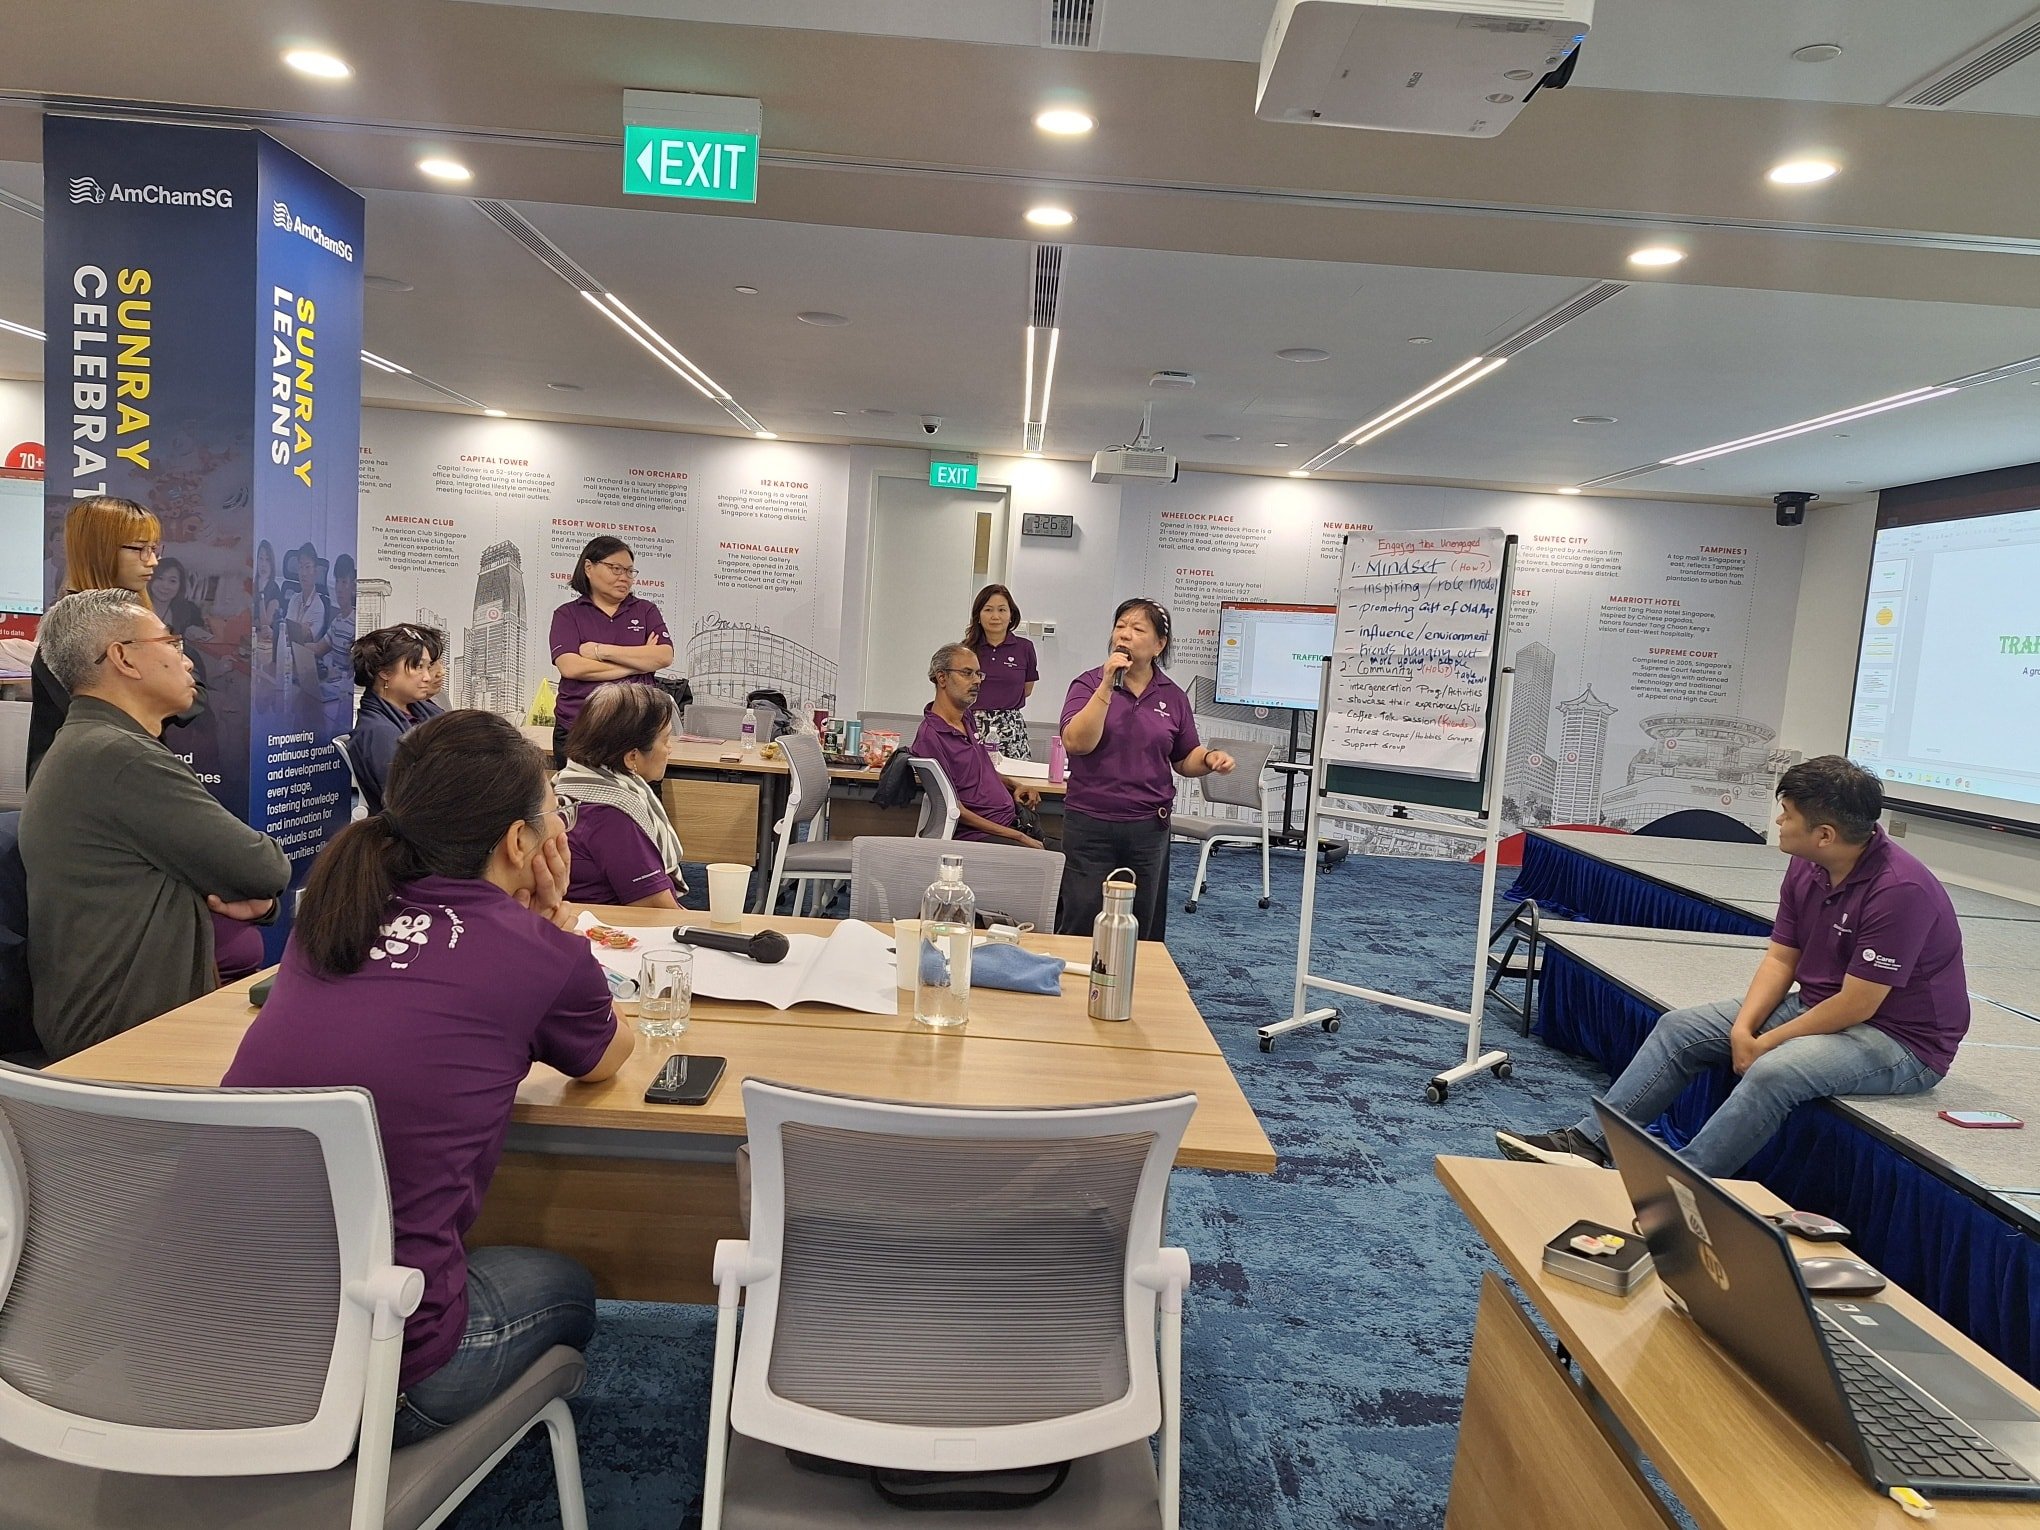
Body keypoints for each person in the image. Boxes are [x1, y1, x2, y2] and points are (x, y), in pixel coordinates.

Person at [224, 710, 634, 1445]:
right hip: (385, 1376)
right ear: (520, 842)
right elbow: (609, 1057)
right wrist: (552, 925)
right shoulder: (539, 955)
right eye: (555, 813)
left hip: (210, 1335)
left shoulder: (335, 914)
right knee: (570, 1285)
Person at [1497, 756, 1968, 1177]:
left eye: (1788, 815)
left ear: (1825, 835)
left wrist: (1767, 1042)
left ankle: (1681, 1190)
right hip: (1821, 1005)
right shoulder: (1807, 864)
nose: (1779, 821)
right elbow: (1782, 956)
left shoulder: (1900, 890)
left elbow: (1858, 1004)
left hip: (1900, 1039)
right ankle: (1588, 1143)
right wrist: (1744, 1029)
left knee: (1774, 1071)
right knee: (1680, 1029)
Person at [21, 590, 291, 1060]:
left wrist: (258, 901)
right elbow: (266, 867)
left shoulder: (90, 745)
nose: (188, 662)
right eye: (172, 643)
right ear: (123, 658)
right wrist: (260, 896)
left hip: (116, 1024)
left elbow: (242, 875)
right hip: (127, 1040)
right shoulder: (120, 757)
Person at [1054, 598, 1234, 943]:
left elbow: (1184, 757)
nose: (1125, 635)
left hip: (1148, 826)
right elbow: (1076, 742)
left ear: (1159, 645)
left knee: (1142, 923)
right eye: (1120, 626)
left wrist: (1210, 758)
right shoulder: (1088, 684)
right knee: (1082, 914)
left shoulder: (1173, 696)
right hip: (1090, 822)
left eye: (1138, 629)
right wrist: (1107, 685)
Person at [28, 495, 209, 784]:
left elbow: (195, 700)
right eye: (138, 549)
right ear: (99, 550)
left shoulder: (140, 619)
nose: (152, 561)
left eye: (154, 549)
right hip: (84, 782)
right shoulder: (69, 632)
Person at [556, 682, 689, 908]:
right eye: (666, 740)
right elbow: (660, 911)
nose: (670, 749)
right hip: (615, 926)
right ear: (632, 757)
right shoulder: (613, 814)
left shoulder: (569, 781)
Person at [548, 535, 673, 765]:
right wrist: (638, 664)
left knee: (640, 790)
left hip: (638, 730)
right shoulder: (567, 614)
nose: (624, 577)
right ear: (589, 567)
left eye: (629, 571)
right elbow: (571, 668)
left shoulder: (646, 611)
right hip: (579, 728)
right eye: (616, 569)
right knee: (579, 790)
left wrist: (600, 651)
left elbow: (664, 656)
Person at [911, 643, 1042, 848]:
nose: (977, 681)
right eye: (967, 673)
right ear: (942, 678)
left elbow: (978, 769)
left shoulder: (966, 718)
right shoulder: (930, 737)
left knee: (1069, 855)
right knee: (1062, 863)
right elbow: (954, 808)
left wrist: (1015, 785)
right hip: (979, 837)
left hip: (1012, 820)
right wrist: (1018, 837)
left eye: (978, 674)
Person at [347, 623, 448, 812]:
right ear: (385, 672)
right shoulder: (378, 732)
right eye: (418, 667)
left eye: (428, 667)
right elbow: (408, 804)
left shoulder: (426, 710)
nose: (427, 677)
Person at [964, 583, 1038, 760]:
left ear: (1011, 615)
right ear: (978, 616)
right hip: (973, 725)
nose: (995, 616)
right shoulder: (965, 650)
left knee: (1014, 777)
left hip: (1011, 728)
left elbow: (1027, 689)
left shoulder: (1025, 648)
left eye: (1002, 610)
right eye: (988, 610)